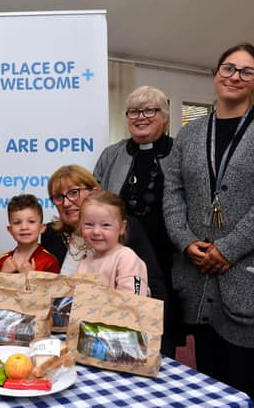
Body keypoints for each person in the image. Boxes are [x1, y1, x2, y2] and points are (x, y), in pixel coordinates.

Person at [163, 43, 254, 402]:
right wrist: (185, 240)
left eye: (246, 71)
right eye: (228, 68)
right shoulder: (190, 134)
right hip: (196, 278)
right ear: (216, 74)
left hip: (246, 277)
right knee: (204, 387)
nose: (234, 76)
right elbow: (173, 192)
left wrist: (227, 248)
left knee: (241, 389)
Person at [94, 86, 181, 355]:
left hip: (169, 258)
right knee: (119, 325)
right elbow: (96, 196)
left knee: (162, 328)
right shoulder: (112, 154)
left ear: (164, 116)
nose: (140, 117)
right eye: (133, 111)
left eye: (149, 110)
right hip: (121, 255)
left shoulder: (180, 152)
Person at [41, 165, 164, 293]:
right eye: (58, 197)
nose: (66, 203)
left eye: (73, 192)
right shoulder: (50, 234)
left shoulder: (127, 234)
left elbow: (142, 293)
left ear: (93, 192)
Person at [77, 191, 149, 296]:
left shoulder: (126, 257)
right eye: (89, 224)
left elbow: (132, 302)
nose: (96, 231)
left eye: (105, 225)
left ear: (122, 227)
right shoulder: (84, 263)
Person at [0, 194, 60, 274]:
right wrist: (3, 274)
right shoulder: (1, 262)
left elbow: (54, 287)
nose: (24, 227)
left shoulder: (49, 262)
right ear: (10, 230)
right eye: (17, 222)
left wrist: (31, 277)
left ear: (42, 228)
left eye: (31, 222)